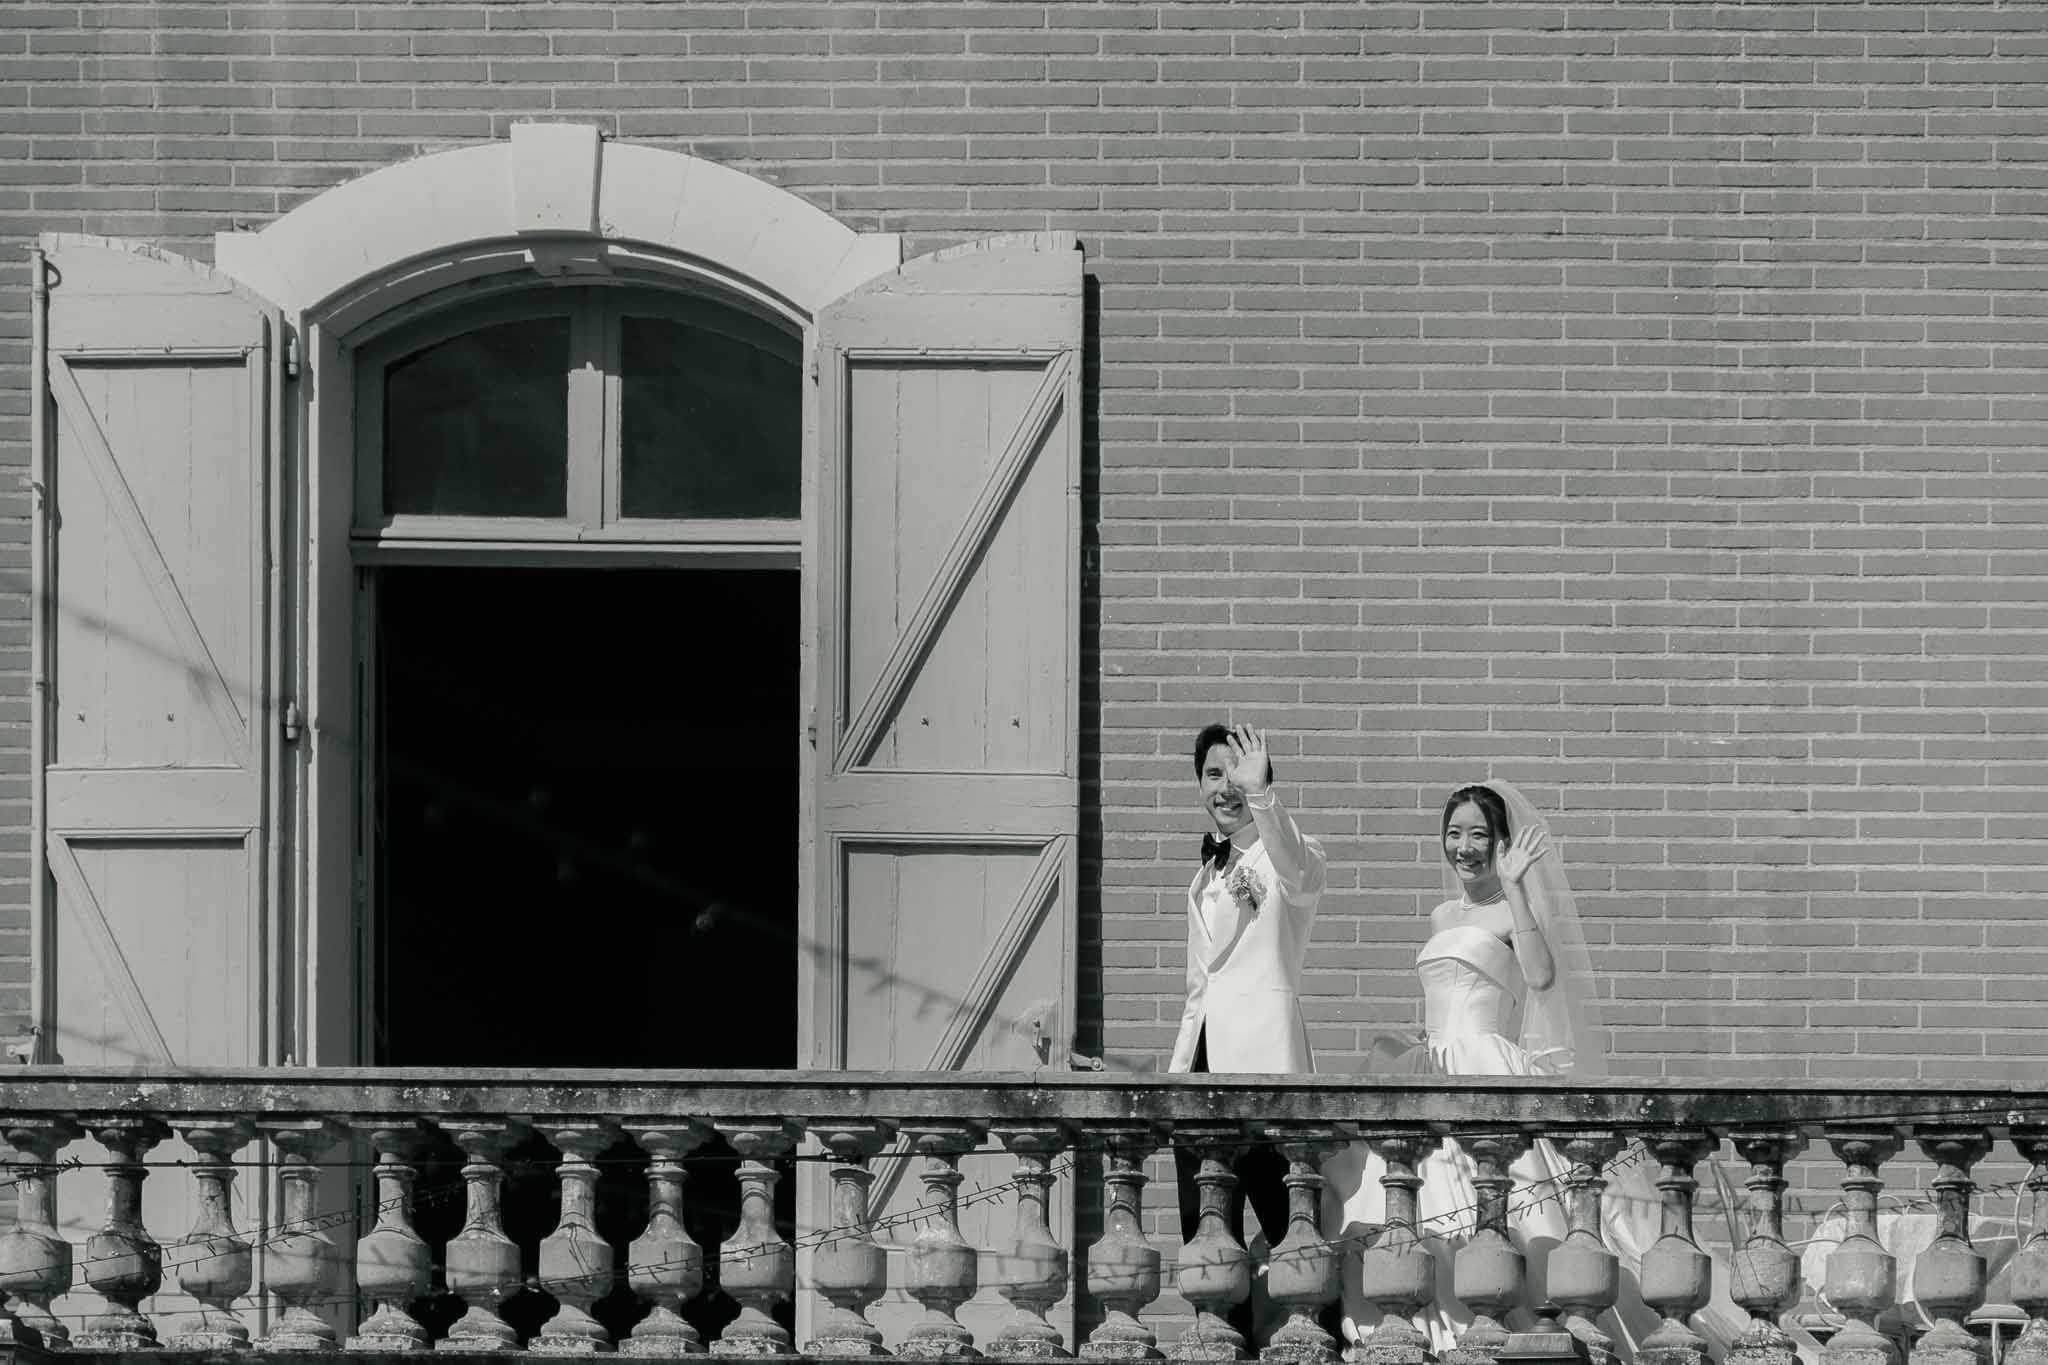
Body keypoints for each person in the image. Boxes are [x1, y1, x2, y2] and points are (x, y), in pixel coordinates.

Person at [1319, 780, 1750, 1363]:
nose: (1464, 847)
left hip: (1485, 1065)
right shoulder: (1442, 914)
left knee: (1508, 1201)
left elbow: (1541, 977)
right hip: (1430, 1067)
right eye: (1454, 833)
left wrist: (1517, 887)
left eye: (1478, 835)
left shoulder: (1513, 908)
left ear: (1500, 842)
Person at [1168, 722, 1327, 1345]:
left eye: (1237, 773)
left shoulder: (1292, 858)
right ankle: (1218, 1346)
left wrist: (1263, 796)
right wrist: (1178, 1076)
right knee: (1208, 1247)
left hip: (1267, 1072)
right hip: (1200, 1074)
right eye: (1214, 774)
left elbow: (1296, 868)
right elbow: (1200, 986)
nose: (1225, 787)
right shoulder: (1202, 877)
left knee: (1295, 1239)